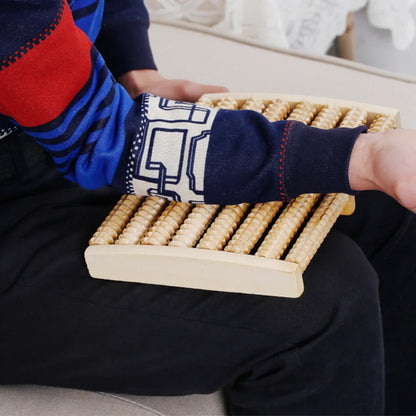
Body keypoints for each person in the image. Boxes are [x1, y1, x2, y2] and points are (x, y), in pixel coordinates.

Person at [0, 0, 414, 414]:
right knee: (320, 301)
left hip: (45, 136)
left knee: (383, 209)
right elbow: (106, 140)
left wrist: (132, 68)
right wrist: (360, 157)